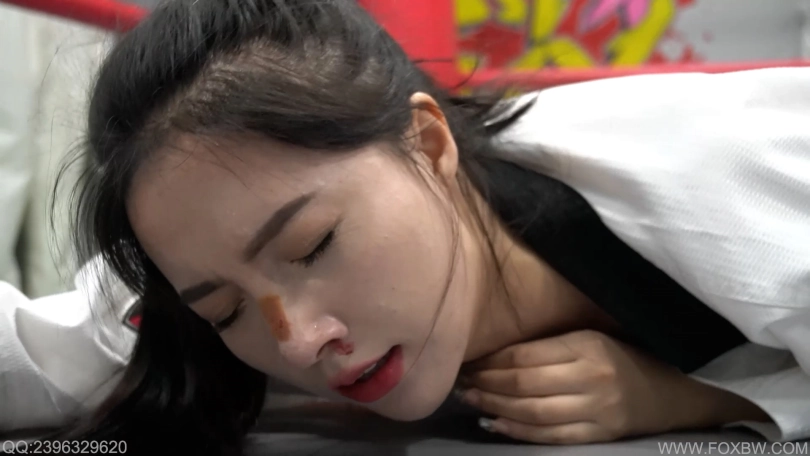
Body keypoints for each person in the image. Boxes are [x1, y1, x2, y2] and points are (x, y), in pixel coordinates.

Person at [2, 0, 807, 453]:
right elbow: (35, 354)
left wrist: (692, 400)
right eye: (226, 310)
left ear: (428, 143)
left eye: (313, 246)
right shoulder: (198, 269)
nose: (297, 343)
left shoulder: (740, 169)